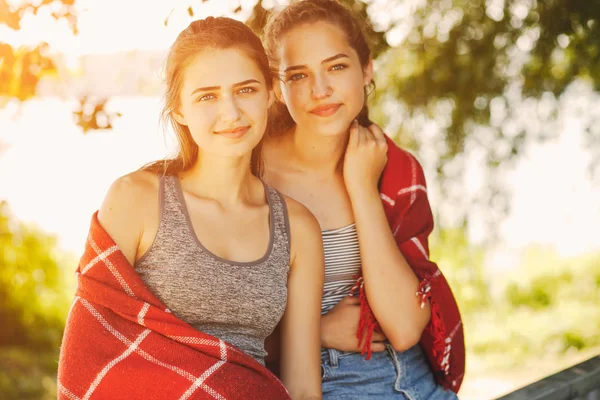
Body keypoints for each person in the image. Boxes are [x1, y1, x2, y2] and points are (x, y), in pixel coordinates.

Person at [57, 17, 324, 400]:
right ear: (179, 109)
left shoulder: (297, 227)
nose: (231, 113)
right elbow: (89, 353)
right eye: (207, 96)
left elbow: (301, 387)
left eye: (245, 90)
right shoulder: (136, 199)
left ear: (269, 94)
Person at [262, 0, 465, 398]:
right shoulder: (249, 174)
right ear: (276, 87)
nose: (320, 90)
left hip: (412, 382)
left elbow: (405, 328)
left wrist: (361, 188)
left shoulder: (395, 171)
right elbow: (215, 323)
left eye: (336, 66)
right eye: (299, 75)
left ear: (366, 69)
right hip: (305, 383)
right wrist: (315, 331)